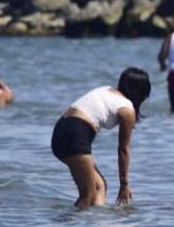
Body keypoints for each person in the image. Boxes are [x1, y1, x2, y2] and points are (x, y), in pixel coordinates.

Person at [50, 67, 151, 208]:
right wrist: (124, 184)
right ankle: (66, 222)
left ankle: (95, 221)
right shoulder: (127, 109)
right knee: (88, 196)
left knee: (100, 186)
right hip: (76, 133)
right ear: (140, 93)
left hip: (60, 130)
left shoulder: (106, 90)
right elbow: (123, 150)